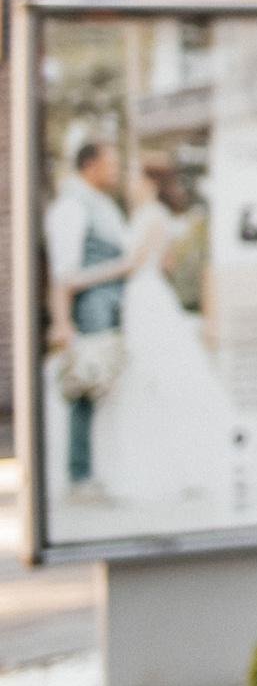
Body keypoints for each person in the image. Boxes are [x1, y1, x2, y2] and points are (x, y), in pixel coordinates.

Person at [89, 158, 242, 511]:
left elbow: (134, 264)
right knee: (146, 377)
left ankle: (173, 465)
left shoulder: (153, 215)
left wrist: (83, 278)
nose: (129, 182)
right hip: (144, 296)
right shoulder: (146, 216)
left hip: (146, 298)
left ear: (151, 183)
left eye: (134, 176)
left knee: (156, 374)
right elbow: (168, 261)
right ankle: (158, 460)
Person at [44, 140, 134, 503]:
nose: (116, 170)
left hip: (109, 311)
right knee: (85, 391)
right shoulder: (72, 206)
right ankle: (79, 476)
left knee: (102, 391)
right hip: (90, 314)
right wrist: (63, 321)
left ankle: (96, 473)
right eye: (111, 162)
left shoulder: (101, 205)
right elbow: (62, 271)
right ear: (91, 164)